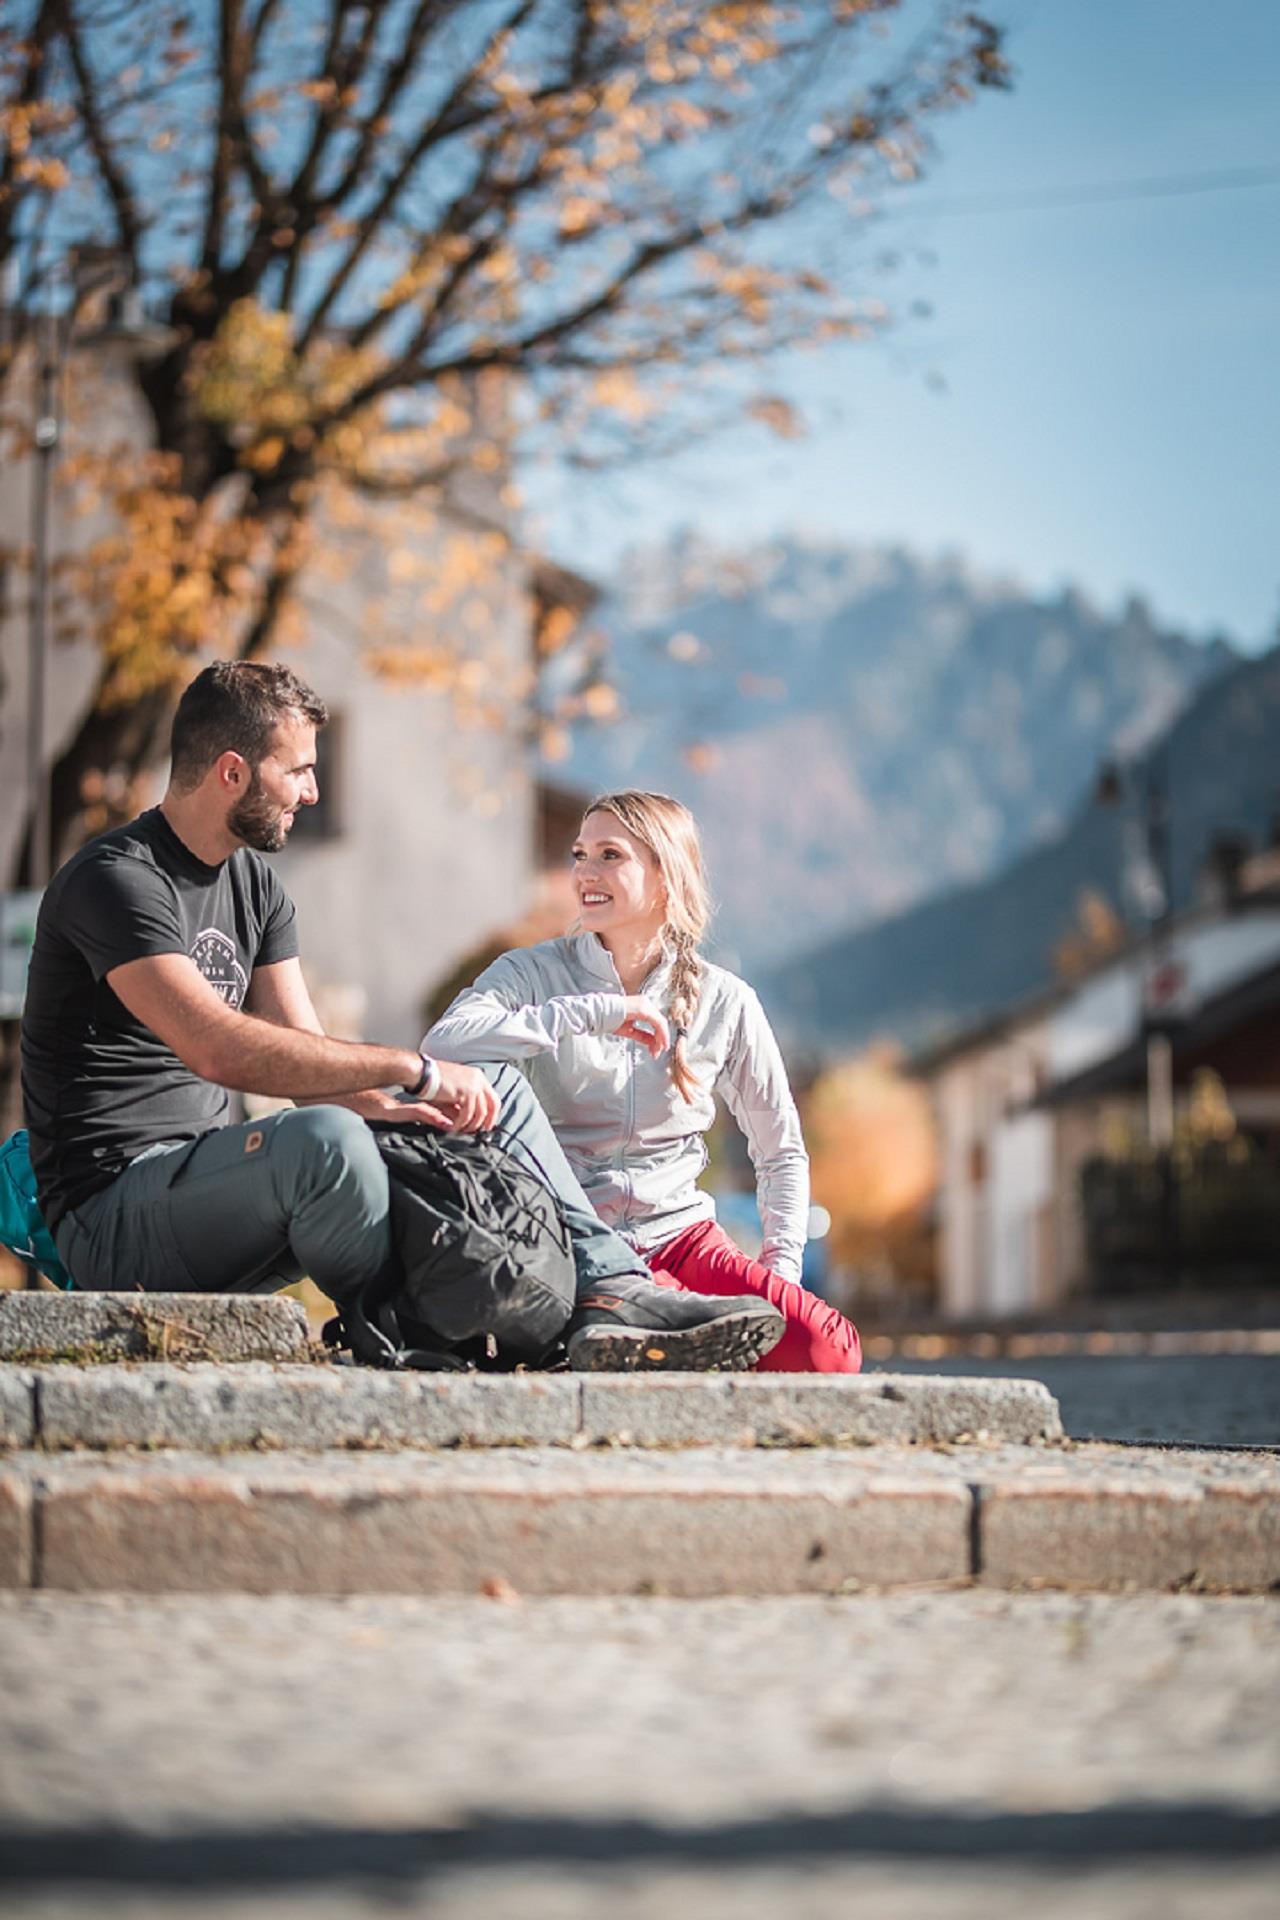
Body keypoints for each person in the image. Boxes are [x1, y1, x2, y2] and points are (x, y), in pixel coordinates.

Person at [19, 664, 783, 1373]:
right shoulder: (115, 881)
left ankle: (603, 1295)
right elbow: (219, 1050)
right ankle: (419, 1332)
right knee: (325, 1143)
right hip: (114, 1216)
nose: (312, 792)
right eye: (299, 770)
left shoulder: (254, 886)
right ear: (232, 772)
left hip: (222, 1188)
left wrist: (427, 1106)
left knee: (484, 1094)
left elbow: (310, 1064)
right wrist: (407, 1068)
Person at [425, 790, 861, 1372]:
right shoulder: (530, 972)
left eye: (610, 855)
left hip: (683, 1237)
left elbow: (780, 1151)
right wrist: (586, 1013)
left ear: (665, 875)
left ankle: (659, 1328)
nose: (585, 872)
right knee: (622, 1331)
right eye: (580, 854)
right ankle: (635, 1321)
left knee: (827, 1349)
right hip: (569, 1238)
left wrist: (777, 1283)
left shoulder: (725, 1001)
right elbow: (444, 1045)